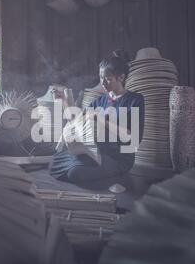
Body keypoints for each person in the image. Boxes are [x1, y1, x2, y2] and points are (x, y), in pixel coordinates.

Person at [49, 50, 145, 184]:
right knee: (55, 161)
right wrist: (64, 101)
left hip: (118, 157)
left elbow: (133, 137)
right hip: (97, 152)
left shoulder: (135, 100)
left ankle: (109, 171)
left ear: (121, 77)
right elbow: (77, 123)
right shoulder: (100, 101)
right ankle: (90, 163)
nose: (103, 83)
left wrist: (100, 120)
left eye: (108, 79)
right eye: (101, 77)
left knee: (75, 173)